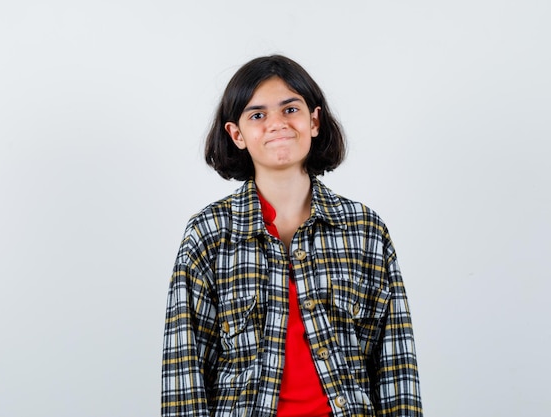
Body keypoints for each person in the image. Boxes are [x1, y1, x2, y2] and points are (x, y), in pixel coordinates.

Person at [161, 55, 422, 417]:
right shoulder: (209, 234)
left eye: (290, 109)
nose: (276, 124)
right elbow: (183, 372)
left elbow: (396, 364)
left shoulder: (365, 229)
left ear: (313, 121)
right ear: (236, 134)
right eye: (257, 115)